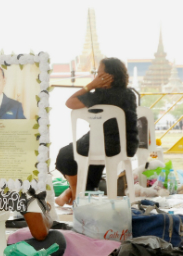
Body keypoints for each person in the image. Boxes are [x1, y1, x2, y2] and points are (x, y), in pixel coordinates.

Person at [55, 58, 138, 206]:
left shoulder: (99, 96)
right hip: (126, 145)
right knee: (91, 162)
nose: (96, 77)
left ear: (109, 76)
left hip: (102, 143)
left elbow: (69, 102)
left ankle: (75, 194)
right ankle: (74, 193)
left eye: (99, 74)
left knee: (65, 154)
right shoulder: (130, 94)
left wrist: (91, 85)